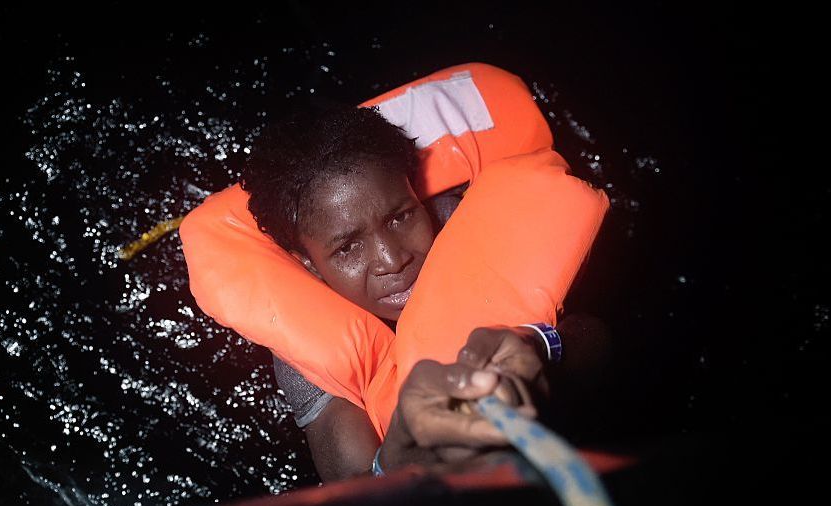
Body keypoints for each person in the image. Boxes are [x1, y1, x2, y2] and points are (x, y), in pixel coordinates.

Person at [240, 101, 603, 481]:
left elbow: (600, 337)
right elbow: (352, 495)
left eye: (400, 217)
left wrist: (539, 346)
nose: (392, 258)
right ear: (309, 263)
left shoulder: (464, 221)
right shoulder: (306, 345)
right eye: (347, 247)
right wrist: (399, 459)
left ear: (415, 193)